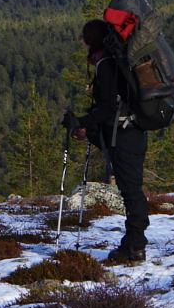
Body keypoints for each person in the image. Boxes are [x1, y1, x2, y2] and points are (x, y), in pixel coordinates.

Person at [62, 18, 149, 263]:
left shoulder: (105, 64)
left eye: (83, 38)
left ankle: (134, 247)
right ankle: (134, 244)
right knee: (131, 188)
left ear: (89, 41)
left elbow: (108, 108)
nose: (81, 42)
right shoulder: (112, 61)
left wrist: (80, 122)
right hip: (132, 130)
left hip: (124, 134)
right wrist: (87, 129)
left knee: (131, 191)